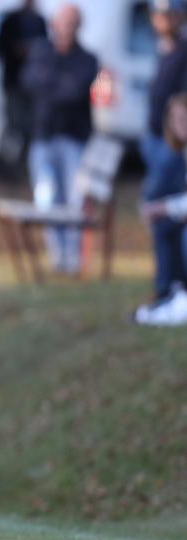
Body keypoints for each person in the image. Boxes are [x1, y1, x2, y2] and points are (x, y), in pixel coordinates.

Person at [20, 3, 98, 274]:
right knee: (47, 198)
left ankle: (73, 259)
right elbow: (29, 82)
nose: (65, 28)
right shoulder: (42, 53)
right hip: (43, 136)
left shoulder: (87, 58)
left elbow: (74, 91)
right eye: (62, 22)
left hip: (73, 139)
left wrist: (50, 85)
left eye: (71, 23)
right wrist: (56, 84)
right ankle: (58, 257)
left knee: (73, 200)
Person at [141, 0, 187, 301]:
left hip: (169, 143)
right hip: (160, 138)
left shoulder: (183, 50)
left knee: (161, 209)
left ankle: (172, 287)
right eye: (157, 13)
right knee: (161, 217)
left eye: (168, 13)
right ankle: (167, 287)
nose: (162, 19)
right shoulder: (163, 49)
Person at [137, 93, 187, 325]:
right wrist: (154, 207)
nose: (181, 123)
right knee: (164, 225)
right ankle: (168, 292)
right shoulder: (177, 154)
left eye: (185, 117)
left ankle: (176, 293)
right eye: (176, 118)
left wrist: (164, 208)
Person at [0, 0, 48, 164]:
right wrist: (16, 50)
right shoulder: (10, 21)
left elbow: (45, 47)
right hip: (14, 82)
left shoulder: (39, 21)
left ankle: (24, 161)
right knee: (13, 122)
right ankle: (5, 162)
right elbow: (0, 46)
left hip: (33, 84)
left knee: (30, 124)